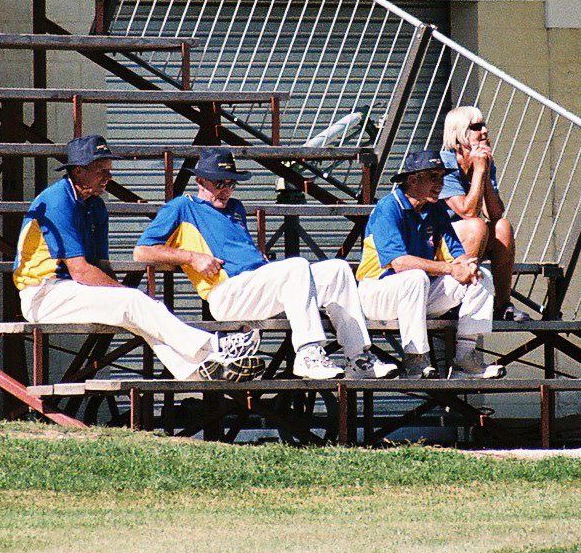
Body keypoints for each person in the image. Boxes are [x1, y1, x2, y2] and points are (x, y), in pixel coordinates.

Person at [133, 148, 395, 380]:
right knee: (296, 266)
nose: (225, 189)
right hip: (226, 294)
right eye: (218, 182)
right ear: (200, 181)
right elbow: (142, 251)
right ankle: (308, 354)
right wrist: (193, 257)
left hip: (256, 288)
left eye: (231, 183)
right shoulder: (182, 206)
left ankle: (358, 357)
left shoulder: (235, 207)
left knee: (337, 269)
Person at [13, 135, 258, 380]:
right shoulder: (57, 200)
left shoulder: (96, 205)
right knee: (133, 302)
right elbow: (81, 271)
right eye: (101, 171)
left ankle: (196, 370)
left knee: (139, 313)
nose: (108, 177)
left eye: (109, 170)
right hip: (43, 294)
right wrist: (123, 294)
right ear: (78, 171)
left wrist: (123, 296)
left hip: (73, 290)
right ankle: (215, 346)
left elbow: (101, 265)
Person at [357, 149, 502, 379]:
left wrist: (467, 266)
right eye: (434, 176)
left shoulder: (435, 209)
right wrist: (451, 268)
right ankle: (414, 359)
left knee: (481, 275)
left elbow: (458, 254)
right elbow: (400, 263)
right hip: (376, 294)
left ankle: (465, 358)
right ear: (413, 180)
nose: (440, 183)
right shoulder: (388, 207)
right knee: (415, 276)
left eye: (442, 177)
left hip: (416, 295)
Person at [440, 105, 523, 320]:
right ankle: (458, 300)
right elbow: (467, 212)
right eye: (476, 127)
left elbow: (494, 212)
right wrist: (478, 171)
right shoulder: (443, 164)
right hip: (439, 239)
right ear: (459, 134)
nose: (485, 131)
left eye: (484, 125)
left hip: (470, 239)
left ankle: (503, 305)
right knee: (476, 225)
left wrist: (483, 172)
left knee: (502, 226)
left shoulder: (482, 160)